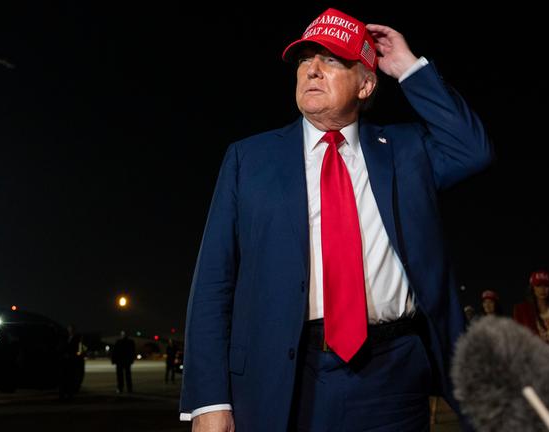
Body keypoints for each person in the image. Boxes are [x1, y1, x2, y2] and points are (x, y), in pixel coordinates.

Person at [179, 7, 492, 431]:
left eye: (332, 60)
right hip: (285, 379)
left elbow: (471, 150)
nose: (312, 69)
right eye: (306, 59)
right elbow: (214, 283)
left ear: (365, 84)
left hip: (393, 375)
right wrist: (208, 400)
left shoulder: (404, 150)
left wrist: (409, 69)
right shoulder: (249, 159)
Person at [58, 324, 85, 399]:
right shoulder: (64, 337)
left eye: (72, 329)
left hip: (72, 361)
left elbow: (79, 350)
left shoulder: (77, 338)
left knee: (71, 378)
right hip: (64, 361)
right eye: (69, 329)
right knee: (64, 378)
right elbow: (61, 347)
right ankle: (63, 394)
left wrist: (75, 356)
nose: (70, 330)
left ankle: (70, 394)